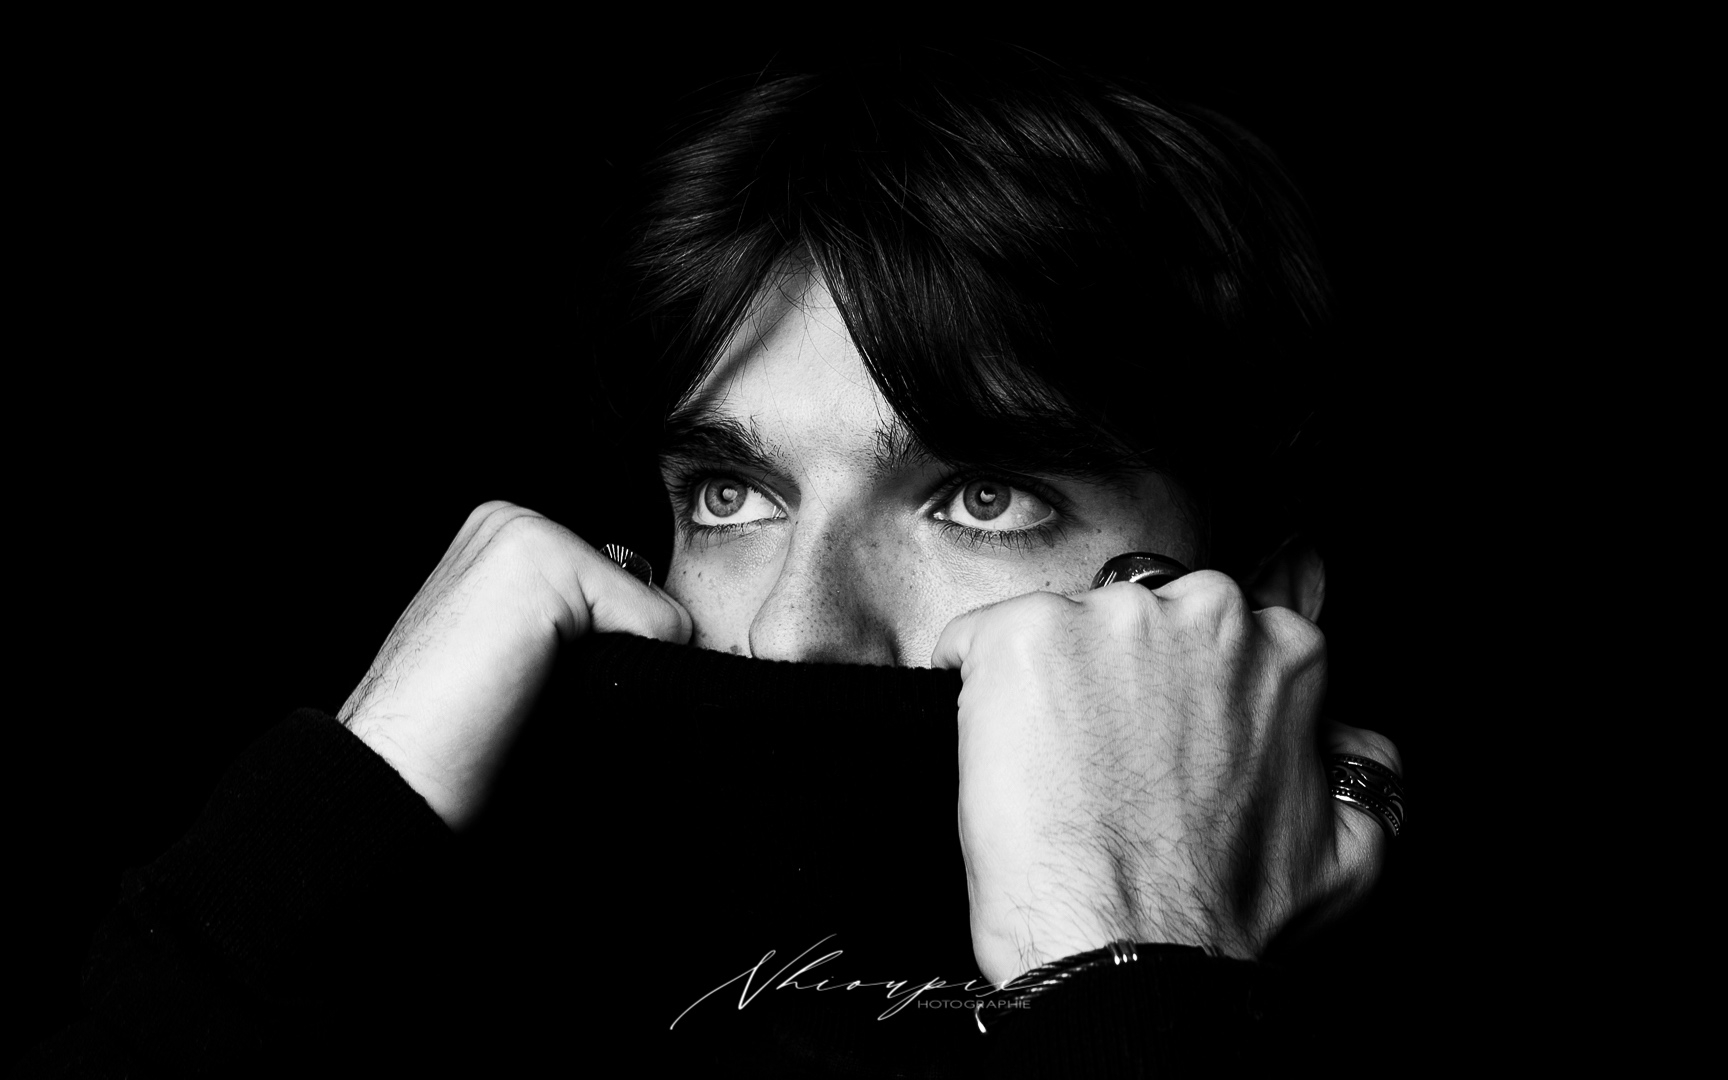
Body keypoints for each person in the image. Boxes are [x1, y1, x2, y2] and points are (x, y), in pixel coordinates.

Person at [22, 45, 1406, 1076]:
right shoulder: (491, 985)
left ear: (1264, 604)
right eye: (734, 495)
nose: (793, 633)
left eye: (982, 497)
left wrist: (1130, 949)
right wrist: (347, 807)